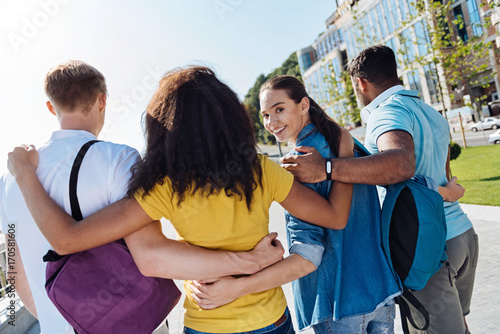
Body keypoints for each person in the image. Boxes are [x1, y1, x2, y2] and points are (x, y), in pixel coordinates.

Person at [7, 66, 356, 334]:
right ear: (228, 116)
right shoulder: (261, 170)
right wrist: (341, 159)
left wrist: (24, 173)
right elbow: (335, 218)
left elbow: (67, 239)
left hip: (206, 323)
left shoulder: (164, 188)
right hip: (269, 319)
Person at [279, 45, 476, 334]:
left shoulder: (386, 113)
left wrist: (328, 168)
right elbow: (447, 176)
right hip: (462, 236)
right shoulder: (431, 113)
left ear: (360, 83)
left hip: (426, 245)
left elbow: (400, 164)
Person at [189, 75, 402, 334]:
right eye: (266, 115)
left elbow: (308, 254)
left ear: (303, 105)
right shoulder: (344, 142)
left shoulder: (300, 163)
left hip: (338, 300)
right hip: (380, 290)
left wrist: (238, 287)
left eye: (279, 110)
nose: (272, 122)